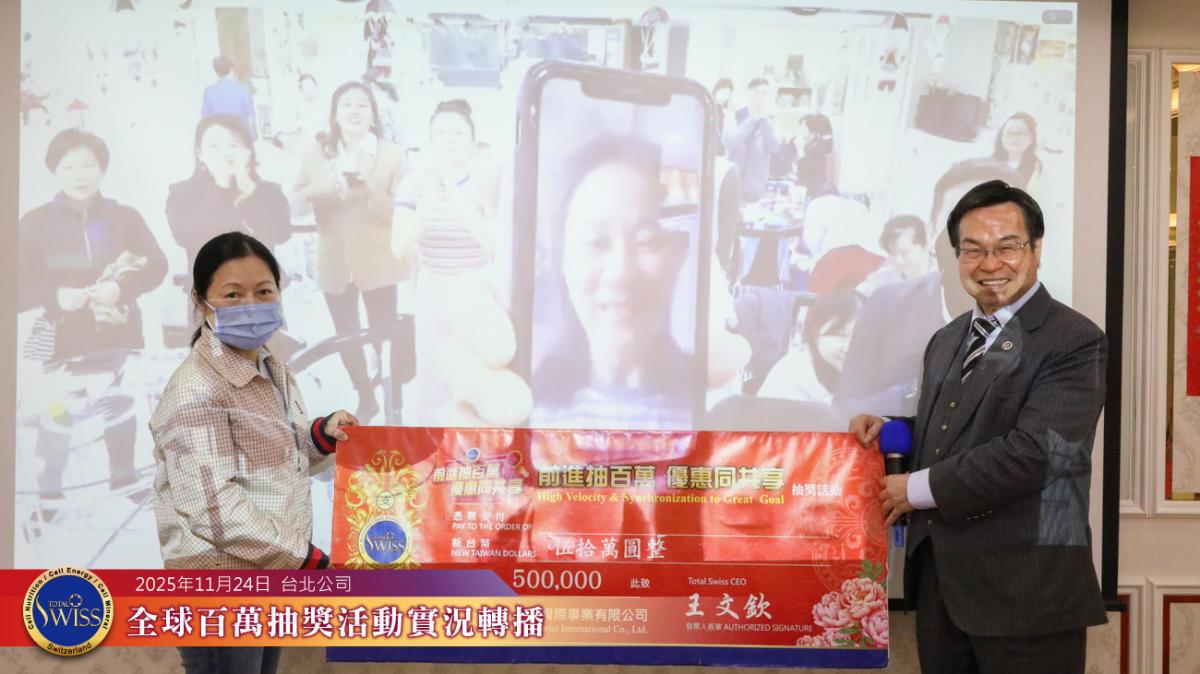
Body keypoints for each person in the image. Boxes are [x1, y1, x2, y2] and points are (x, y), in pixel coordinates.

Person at [849, 181, 1106, 673]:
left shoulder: (1073, 339)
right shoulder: (948, 339)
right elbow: (955, 427)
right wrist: (891, 430)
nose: (990, 264)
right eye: (973, 250)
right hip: (943, 585)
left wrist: (915, 489)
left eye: (1007, 246)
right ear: (956, 257)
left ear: (1036, 248)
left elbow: (1037, 452)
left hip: (1027, 592)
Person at [150, 232, 357, 673]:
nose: (251, 304)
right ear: (200, 301)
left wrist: (321, 436)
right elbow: (212, 509)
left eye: (263, 291)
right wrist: (306, 559)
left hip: (266, 576)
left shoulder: (268, 366)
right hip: (218, 587)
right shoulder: (195, 389)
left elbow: (279, 458)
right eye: (232, 294)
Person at [18, 129, 167, 502]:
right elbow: (14, 286)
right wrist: (55, 296)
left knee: (119, 402)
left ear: (102, 168)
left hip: (118, 330)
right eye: (68, 167)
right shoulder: (34, 223)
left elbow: (157, 265)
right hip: (63, 337)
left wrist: (121, 288)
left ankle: (124, 479)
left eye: (87, 165)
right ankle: (50, 491)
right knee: (58, 410)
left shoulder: (125, 217)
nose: (79, 175)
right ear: (54, 171)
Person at [530, 137, 693, 431]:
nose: (621, 273)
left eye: (647, 241)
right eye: (596, 242)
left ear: (679, 255)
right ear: (561, 258)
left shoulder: (710, 405)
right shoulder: (525, 410)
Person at [836, 159, 1020, 418]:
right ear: (932, 231)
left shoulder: (1049, 326)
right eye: (960, 220)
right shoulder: (886, 304)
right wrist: (917, 392)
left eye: (997, 225)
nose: (980, 238)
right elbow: (847, 410)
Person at [293, 81, 409, 423]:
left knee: (385, 337)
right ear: (335, 114)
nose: (354, 111)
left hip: (380, 263)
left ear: (373, 115)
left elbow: (403, 211)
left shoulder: (392, 155)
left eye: (362, 105)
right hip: (335, 264)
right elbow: (296, 204)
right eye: (346, 105)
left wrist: (370, 189)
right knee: (347, 339)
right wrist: (321, 188)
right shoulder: (316, 154)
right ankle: (366, 397)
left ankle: (394, 401)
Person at [392, 99, 501, 424]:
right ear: (430, 142)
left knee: (478, 375)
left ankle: (475, 446)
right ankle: (432, 444)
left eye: (458, 133)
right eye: (440, 133)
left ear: (472, 142)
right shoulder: (414, 184)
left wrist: (455, 197)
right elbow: (399, 246)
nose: (449, 140)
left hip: (477, 287)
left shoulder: (486, 183)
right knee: (433, 375)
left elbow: (494, 243)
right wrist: (426, 208)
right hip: (434, 288)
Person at [167, 114, 291, 272]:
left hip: (259, 282)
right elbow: (186, 237)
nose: (225, 152)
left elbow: (282, 234)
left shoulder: (269, 192)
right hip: (209, 283)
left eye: (233, 145)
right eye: (214, 146)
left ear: (248, 151)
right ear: (200, 154)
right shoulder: (181, 194)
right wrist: (222, 182)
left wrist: (251, 193)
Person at [759, 290, 861, 407]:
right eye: (839, 334)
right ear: (815, 333)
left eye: (857, 336)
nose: (848, 347)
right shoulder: (793, 377)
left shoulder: (851, 372)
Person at [725, 77, 779, 201]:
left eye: (764, 94)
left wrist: (764, 121)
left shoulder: (771, 121)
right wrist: (752, 120)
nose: (760, 97)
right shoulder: (734, 115)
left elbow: (774, 148)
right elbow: (730, 142)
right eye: (756, 93)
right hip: (733, 183)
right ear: (748, 93)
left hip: (755, 188)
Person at [200, 55, 256, 140]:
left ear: (217, 72)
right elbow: (249, 115)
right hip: (239, 134)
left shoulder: (209, 92)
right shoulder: (242, 90)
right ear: (231, 70)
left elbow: (205, 118)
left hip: (219, 136)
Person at [991, 112, 1042, 188]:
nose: (1015, 138)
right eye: (1010, 132)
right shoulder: (989, 165)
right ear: (1001, 136)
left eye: (1021, 133)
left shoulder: (1039, 170)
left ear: (1031, 138)